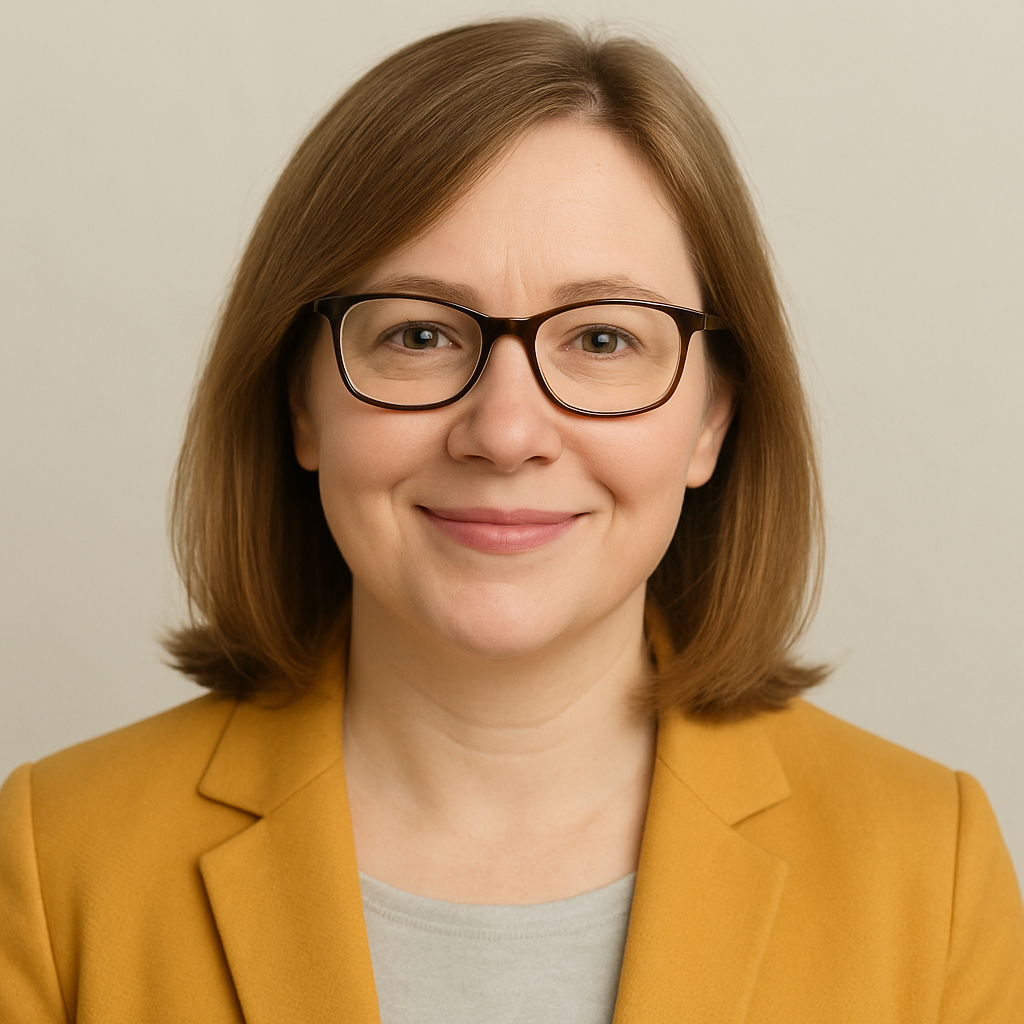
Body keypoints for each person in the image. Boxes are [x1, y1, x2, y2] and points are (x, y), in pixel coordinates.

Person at [1, 17, 1021, 1023]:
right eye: (418, 332)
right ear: (301, 401)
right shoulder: (60, 860)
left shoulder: (929, 869)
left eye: (604, 338)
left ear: (712, 417)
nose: (505, 429)